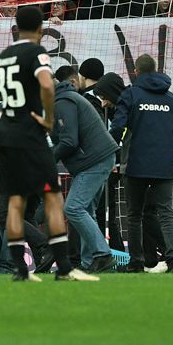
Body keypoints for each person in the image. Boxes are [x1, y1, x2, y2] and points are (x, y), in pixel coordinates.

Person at [0, 5, 97, 282]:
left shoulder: (4, 57)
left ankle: (18, 269)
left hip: (3, 139)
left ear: (16, 26)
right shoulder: (36, 53)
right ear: (40, 29)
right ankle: (63, 267)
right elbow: (47, 85)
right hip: (30, 136)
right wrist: (48, 118)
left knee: (13, 200)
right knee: (51, 197)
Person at [109, 54, 173, 274]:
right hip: (164, 164)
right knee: (166, 212)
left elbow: (117, 126)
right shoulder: (171, 98)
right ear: (156, 70)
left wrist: (114, 149)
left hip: (135, 163)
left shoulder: (131, 95)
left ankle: (136, 262)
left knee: (134, 214)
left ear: (136, 72)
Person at [52, 66, 119, 273]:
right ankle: (91, 263)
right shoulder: (65, 98)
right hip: (98, 158)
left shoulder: (62, 102)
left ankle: (103, 254)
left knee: (73, 208)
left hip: (95, 160)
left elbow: (70, 141)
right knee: (86, 210)